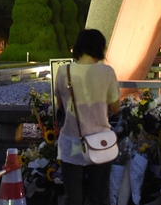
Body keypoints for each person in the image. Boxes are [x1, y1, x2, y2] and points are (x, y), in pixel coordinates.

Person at [55, 29, 121, 205]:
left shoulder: (64, 72)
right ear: (100, 48)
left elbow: (60, 105)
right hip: (100, 141)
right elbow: (115, 108)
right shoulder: (107, 72)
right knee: (99, 195)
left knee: (73, 196)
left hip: (71, 142)